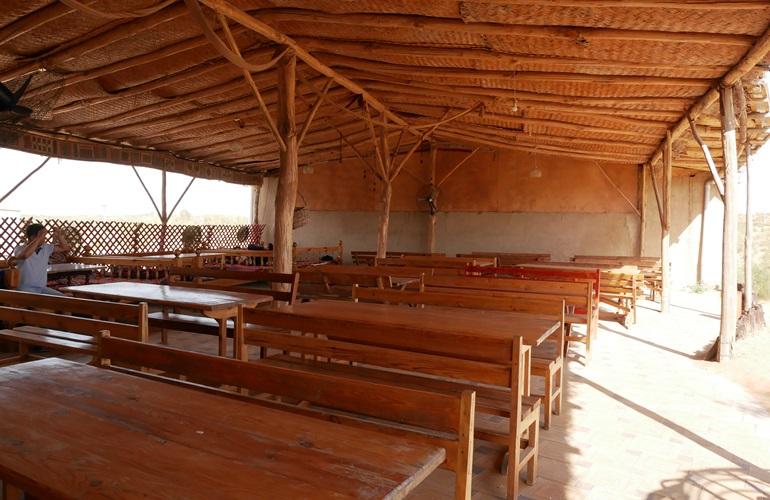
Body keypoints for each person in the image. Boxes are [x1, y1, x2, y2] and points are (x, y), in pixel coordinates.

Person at [13, 224, 71, 295]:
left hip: (42, 288)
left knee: (64, 298)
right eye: (43, 236)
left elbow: (65, 248)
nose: (44, 239)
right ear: (32, 237)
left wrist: (59, 235)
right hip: (25, 289)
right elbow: (25, 255)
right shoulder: (19, 249)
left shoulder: (46, 248)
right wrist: (39, 237)